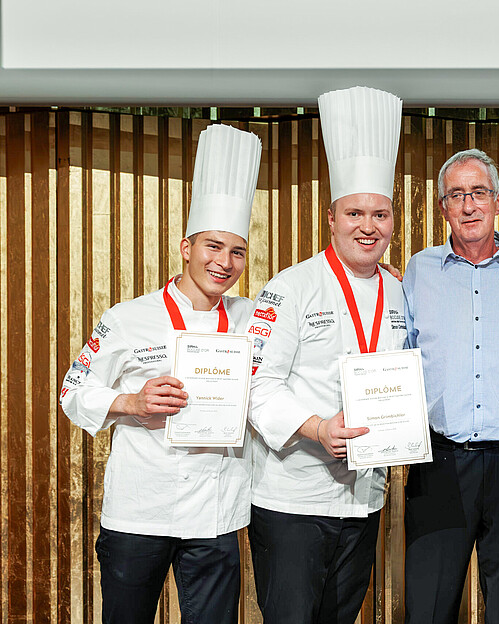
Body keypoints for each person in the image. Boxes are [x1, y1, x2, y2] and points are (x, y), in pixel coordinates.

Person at [59, 123, 262, 624]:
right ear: (185, 246)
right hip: (138, 511)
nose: (225, 262)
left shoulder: (255, 318)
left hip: (216, 517)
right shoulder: (128, 317)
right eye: (213, 246)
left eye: (237, 251)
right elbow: (71, 390)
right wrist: (131, 402)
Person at [246, 85, 406, 624]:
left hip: (364, 498)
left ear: (393, 220)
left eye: (380, 214)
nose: (369, 226)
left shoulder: (400, 290)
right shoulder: (290, 288)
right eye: (356, 213)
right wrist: (316, 427)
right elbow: (256, 384)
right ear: (331, 217)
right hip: (294, 498)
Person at [402, 148, 499, 624]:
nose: (469, 205)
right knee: (428, 605)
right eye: (457, 195)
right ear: (443, 206)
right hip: (440, 461)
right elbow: (400, 355)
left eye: (479, 193)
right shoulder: (417, 271)